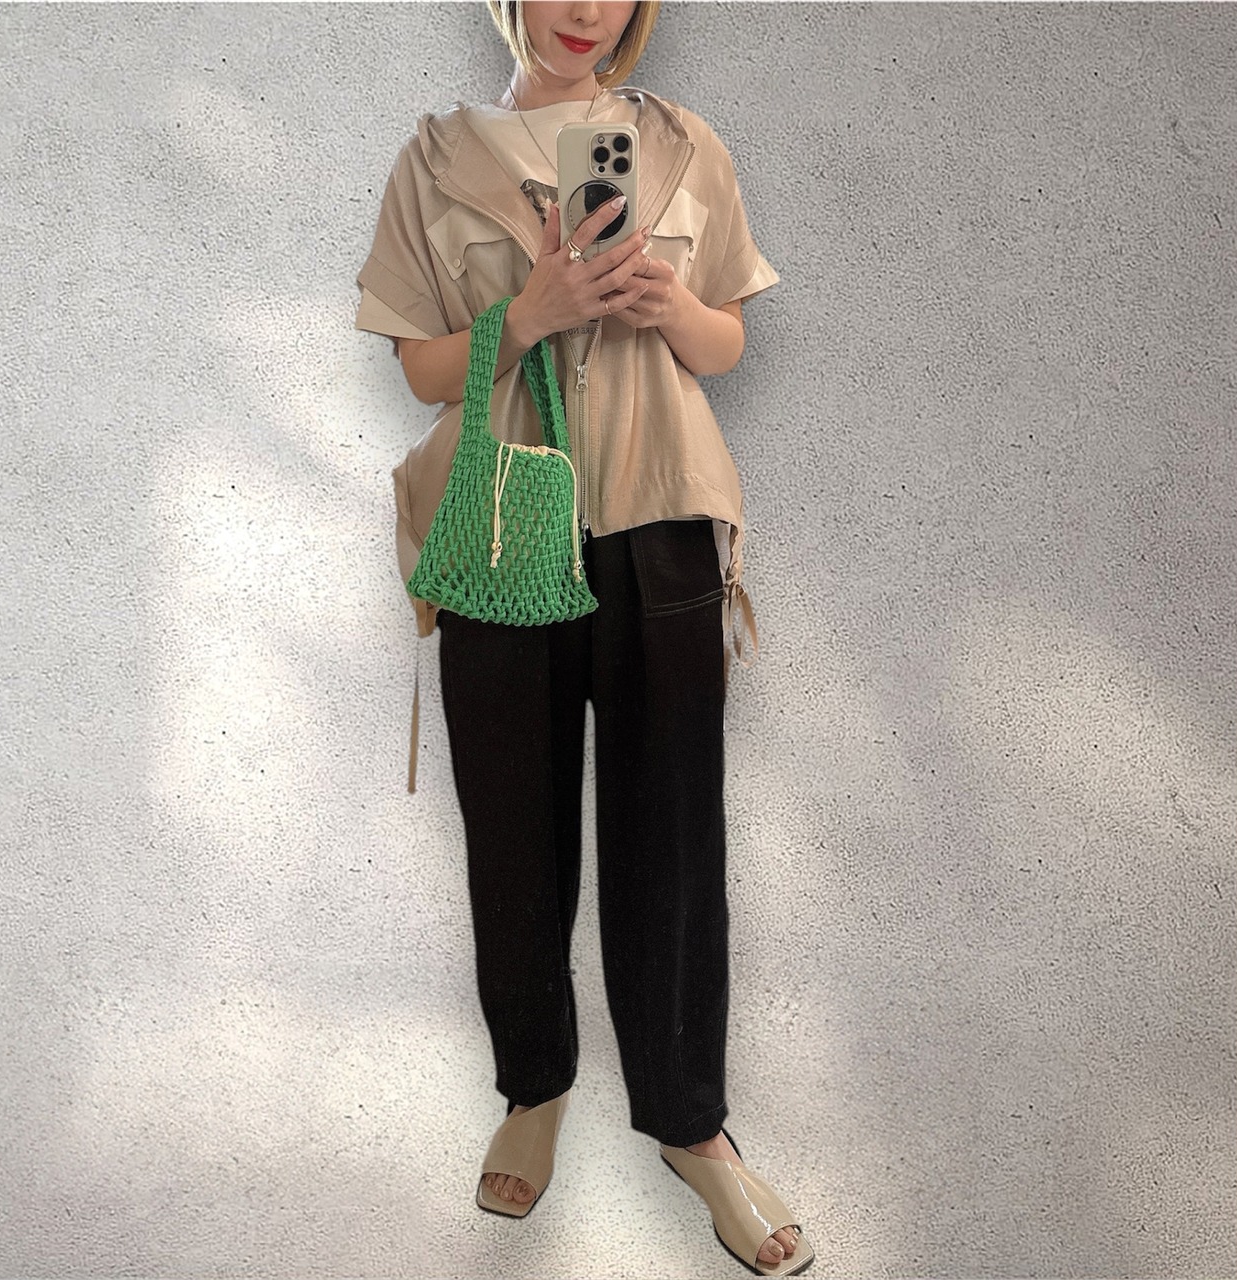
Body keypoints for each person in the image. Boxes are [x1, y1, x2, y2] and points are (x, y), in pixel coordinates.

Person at [355, 2, 810, 1273]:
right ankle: (533, 1086)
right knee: (512, 823)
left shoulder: (679, 145)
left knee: (673, 832)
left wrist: (663, 304)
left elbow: (726, 339)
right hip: (505, 517)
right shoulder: (436, 157)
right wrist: (531, 311)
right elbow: (418, 367)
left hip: (659, 514)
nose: (584, 10)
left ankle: (690, 1124)